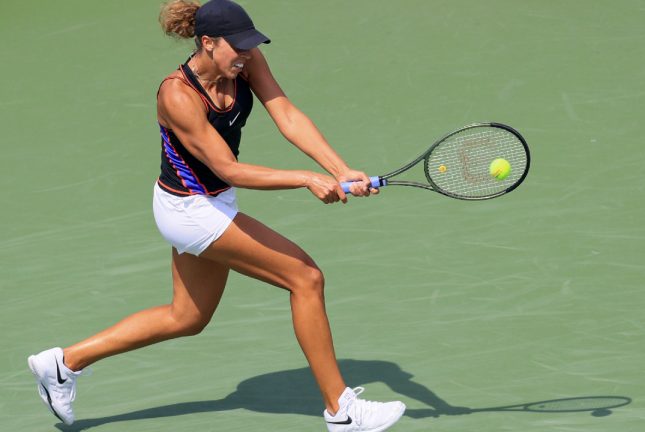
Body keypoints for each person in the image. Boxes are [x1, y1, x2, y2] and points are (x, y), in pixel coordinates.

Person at [26, 1, 406, 431]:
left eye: (250, 45)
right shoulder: (176, 94)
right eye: (236, 47)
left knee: (186, 317)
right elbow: (230, 169)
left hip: (213, 202)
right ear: (207, 43)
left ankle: (62, 364)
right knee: (305, 277)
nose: (245, 54)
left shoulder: (245, 62)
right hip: (189, 210)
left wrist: (339, 170)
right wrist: (306, 178)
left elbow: (286, 113)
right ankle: (342, 411)